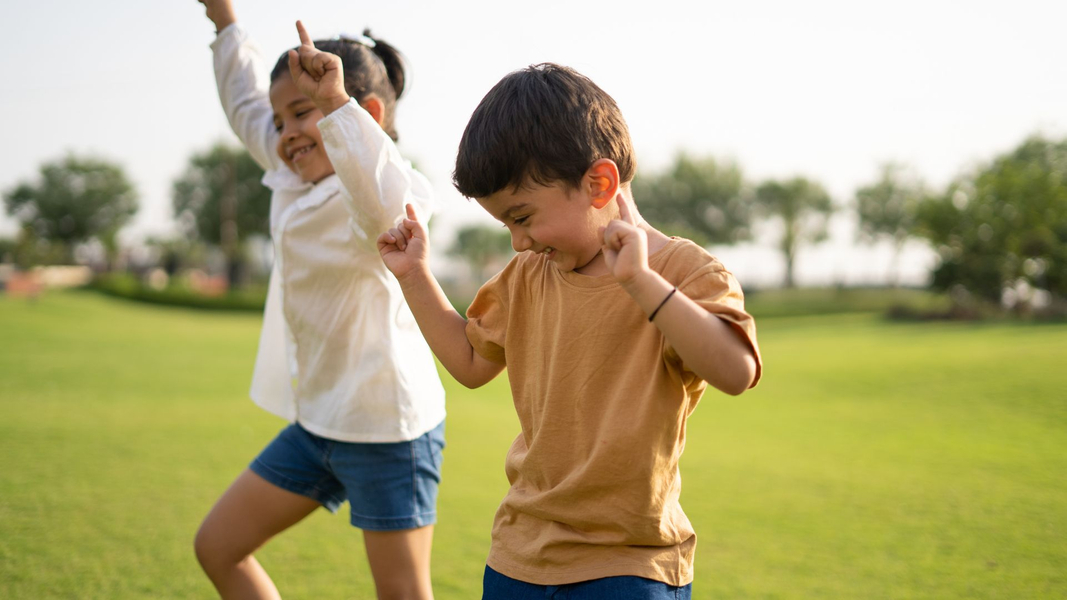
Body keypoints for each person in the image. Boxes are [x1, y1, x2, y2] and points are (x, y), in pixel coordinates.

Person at [377, 63, 763, 598]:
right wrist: (415, 275)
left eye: (523, 217)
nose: (517, 241)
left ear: (598, 184)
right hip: (519, 557)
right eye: (506, 225)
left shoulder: (684, 274)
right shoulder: (528, 276)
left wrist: (642, 282)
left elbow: (736, 371)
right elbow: (469, 364)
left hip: (631, 567)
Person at [192, 3, 445, 599]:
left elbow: (383, 199)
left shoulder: (381, 195)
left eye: (301, 113)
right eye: (281, 123)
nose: (284, 134)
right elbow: (247, 106)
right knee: (218, 547)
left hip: (388, 431)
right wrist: (226, 22)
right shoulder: (291, 176)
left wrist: (334, 105)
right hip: (317, 425)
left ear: (367, 116)